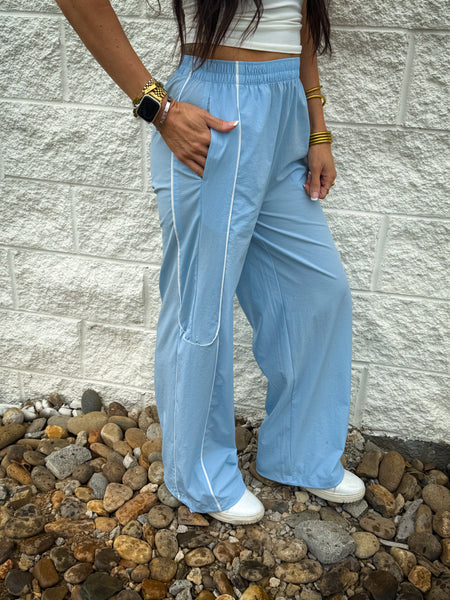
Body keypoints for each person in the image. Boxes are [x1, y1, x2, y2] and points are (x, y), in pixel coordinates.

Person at [55, 0, 366, 525]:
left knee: (317, 293)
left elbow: (302, 24)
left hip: (286, 112)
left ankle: (300, 454)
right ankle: (199, 473)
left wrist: (317, 130)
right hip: (216, 115)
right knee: (202, 303)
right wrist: (156, 106)